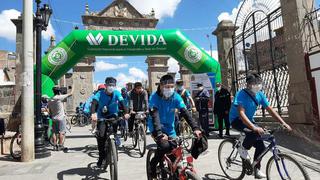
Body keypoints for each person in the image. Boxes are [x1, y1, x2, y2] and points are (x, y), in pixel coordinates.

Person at [229, 73, 292, 179]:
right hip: (237, 120)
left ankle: (256, 169)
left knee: (261, 146)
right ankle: (242, 148)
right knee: (253, 132)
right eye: (255, 83)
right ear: (248, 84)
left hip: (248, 120)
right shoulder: (241, 94)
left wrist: (283, 123)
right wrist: (254, 127)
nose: (258, 85)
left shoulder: (260, 94)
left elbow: (270, 110)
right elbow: (241, 113)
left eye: (259, 83)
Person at [148, 75, 202, 179]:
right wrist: (159, 133)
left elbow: (185, 113)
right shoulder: (154, 98)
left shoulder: (176, 97)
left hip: (170, 129)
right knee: (164, 146)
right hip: (156, 128)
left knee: (175, 153)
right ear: (161, 86)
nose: (169, 89)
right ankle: (153, 164)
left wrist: (195, 128)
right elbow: (155, 116)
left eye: (172, 86)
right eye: (167, 86)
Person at [90, 77, 130, 167]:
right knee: (101, 136)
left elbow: (123, 103)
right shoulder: (100, 93)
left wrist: (126, 113)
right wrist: (93, 113)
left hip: (113, 115)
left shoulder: (117, 93)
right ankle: (101, 156)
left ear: (115, 86)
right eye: (109, 85)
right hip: (102, 117)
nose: (111, 87)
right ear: (105, 85)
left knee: (114, 130)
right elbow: (94, 103)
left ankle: (114, 144)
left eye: (113, 85)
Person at [48, 85, 74, 151]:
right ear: (59, 91)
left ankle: (54, 145)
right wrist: (73, 87)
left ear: (53, 91)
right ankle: (60, 145)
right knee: (61, 132)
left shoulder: (50, 99)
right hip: (61, 118)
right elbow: (71, 94)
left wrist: (51, 115)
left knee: (54, 132)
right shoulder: (60, 97)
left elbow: (50, 110)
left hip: (54, 118)